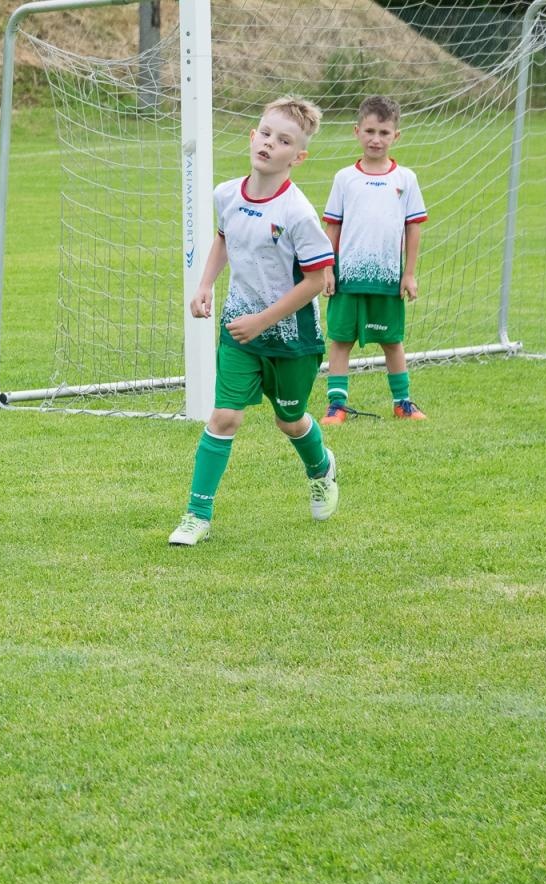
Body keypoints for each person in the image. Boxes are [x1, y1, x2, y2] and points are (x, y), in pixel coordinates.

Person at [168, 96, 338, 547]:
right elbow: (225, 238)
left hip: (290, 339)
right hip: (239, 331)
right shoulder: (226, 194)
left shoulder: (298, 213)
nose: (269, 144)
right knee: (224, 417)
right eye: (265, 133)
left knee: (291, 420)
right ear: (252, 135)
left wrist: (262, 321)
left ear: (297, 157)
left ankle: (321, 467)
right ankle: (196, 514)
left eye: (283, 141)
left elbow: (318, 279)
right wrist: (205, 284)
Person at [318, 95, 429, 424]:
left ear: (396, 136)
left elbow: (413, 228)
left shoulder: (405, 179)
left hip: (387, 278)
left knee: (392, 341)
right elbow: (332, 227)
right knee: (341, 340)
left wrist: (408, 274)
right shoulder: (344, 178)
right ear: (356, 131)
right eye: (369, 131)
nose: (375, 139)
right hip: (348, 277)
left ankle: (402, 402)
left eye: (383, 132)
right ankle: (336, 405)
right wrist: (326, 268)